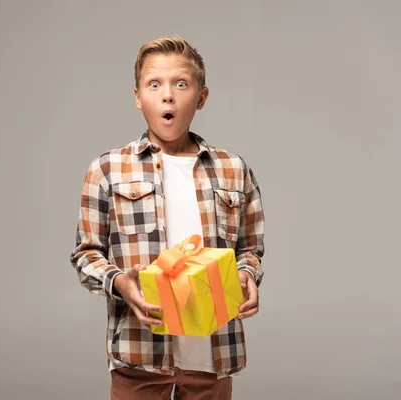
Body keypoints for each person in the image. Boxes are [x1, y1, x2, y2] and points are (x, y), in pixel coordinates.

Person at [70, 36, 265, 399]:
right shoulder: (108, 169)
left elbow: (250, 249)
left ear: (201, 97)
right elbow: (86, 255)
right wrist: (121, 283)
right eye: (154, 84)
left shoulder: (233, 170)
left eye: (181, 83)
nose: (168, 95)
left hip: (213, 356)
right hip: (140, 356)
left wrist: (246, 275)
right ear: (137, 97)